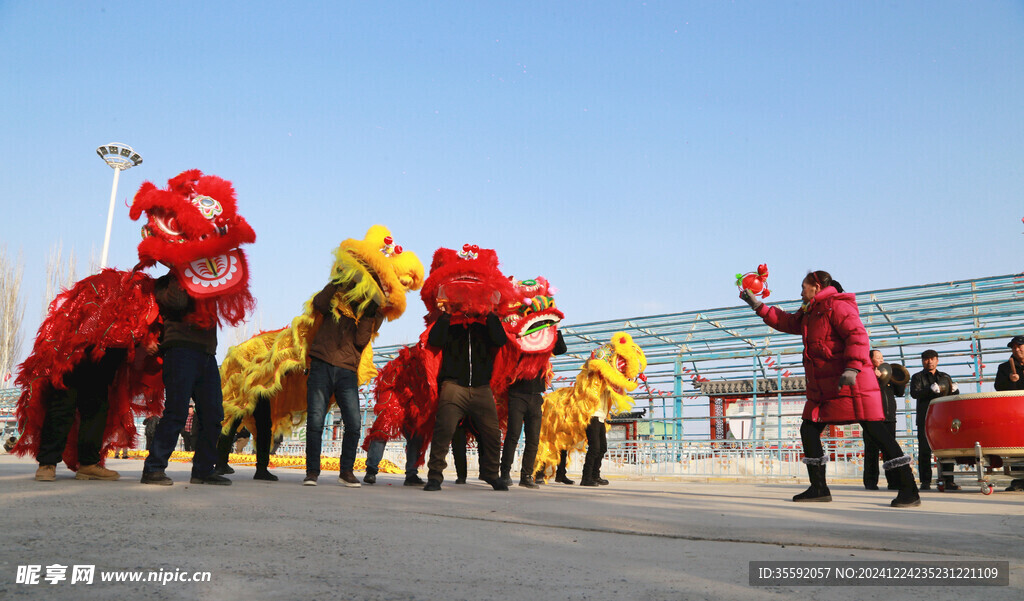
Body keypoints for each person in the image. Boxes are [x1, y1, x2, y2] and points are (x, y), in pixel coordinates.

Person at [742, 270, 920, 507]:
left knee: (877, 433)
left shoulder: (837, 306)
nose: (800, 292)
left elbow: (857, 335)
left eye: (803, 287)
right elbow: (786, 322)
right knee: (809, 429)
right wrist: (757, 305)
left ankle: (909, 489)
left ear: (816, 286)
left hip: (851, 383)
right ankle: (818, 487)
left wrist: (854, 367)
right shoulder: (810, 312)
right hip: (825, 387)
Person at [141, 276, 231, 486]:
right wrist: (181, 271)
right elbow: (178, 302)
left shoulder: (207, 279)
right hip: (180, 351)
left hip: (207, 354)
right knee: (176, 412)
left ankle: (203, 470)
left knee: (213, 415)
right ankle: (154, 468)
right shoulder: (166, 282)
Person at [303, 281, 384, 487]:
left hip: (347, 370)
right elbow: (318, 304)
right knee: (315, 422)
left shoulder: (365, 311)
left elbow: (360, 342)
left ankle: (346, 471)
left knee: (354, 424)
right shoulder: (334, 299)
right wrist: (336, 282)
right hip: (321, 364)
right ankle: (312, 472)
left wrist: (370, 312)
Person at [422, 303, 508, 491]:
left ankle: (491, 473)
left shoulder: (486, 325)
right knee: (443, 430)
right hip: (453, 386)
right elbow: (435, 340)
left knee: (493, 433)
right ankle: (435, 476)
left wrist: (491, 314)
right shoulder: (449, 323)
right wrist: (447, 315)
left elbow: (501, 340)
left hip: (482, 387)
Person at [33, 349, 127, 482]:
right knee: (62, 404)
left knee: (96, 408)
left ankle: (89, 464)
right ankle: (47, 463)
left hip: (104, 350)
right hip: (71, 347)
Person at [500, 331, 567, 489]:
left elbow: (561, 349)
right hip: (517, 395)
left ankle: (526, 476)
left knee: (533, 439)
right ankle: (504, 473)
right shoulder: (520, 339)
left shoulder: (544, 343)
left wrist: (555, 328)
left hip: (536, 397)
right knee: (513, 435)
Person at [909, 349, 959, 491]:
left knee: (946, 450)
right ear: (922, 361)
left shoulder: (945, 376)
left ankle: (948, 480)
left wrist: (955, 390)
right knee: (924, 450)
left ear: (937, 360)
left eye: (932, 358)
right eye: (926, 359)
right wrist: (930, 390)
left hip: (943, 419)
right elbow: (914, 393)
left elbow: (951, 394)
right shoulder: (917, 377)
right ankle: (925, 482)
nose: (929, 361)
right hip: (925, 418)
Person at [863, 350, 906, 491]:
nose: (881, 360)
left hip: (889, 419)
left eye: (882, 357)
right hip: (872, 418)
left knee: (890, 452)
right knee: (871, 451)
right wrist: (873, 378)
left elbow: (899, 393)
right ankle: (870, 482)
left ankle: (893, 482)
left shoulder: (888, 373)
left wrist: (899, 379)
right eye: (878, 358)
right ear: (870, 360)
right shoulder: (865, 373)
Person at [994, 335, 1024, 491]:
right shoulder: (1005, 368)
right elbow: (998, 387)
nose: (1017, 349)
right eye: (1014, 347)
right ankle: (1019, 480)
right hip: (1015, 414)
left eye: (1019, 346)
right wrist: (1010, 382)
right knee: (1017, 448)